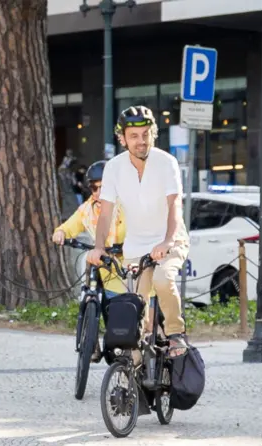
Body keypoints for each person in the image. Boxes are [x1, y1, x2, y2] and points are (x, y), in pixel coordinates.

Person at [88, 105, 191, 357]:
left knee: (162, 279)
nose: (141, 141)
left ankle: (176, 333)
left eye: (146, 134)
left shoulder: (167, 162)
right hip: (136, 247)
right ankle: (131, 379)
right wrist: (99, 246)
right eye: (134, 136)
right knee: (135, 311)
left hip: (171, 239)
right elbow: (106, 213)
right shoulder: (114, 168)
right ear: (122, 138)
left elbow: (174, 205)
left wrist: (168, 240)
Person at [52, 159, 128, 301]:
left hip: (129, 270)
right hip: (104, 269)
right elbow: (69, 226)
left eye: (103, 188)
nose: (98, 193)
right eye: (94, 188)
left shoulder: (127, 205)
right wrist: (60, 233)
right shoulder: (87, 209)